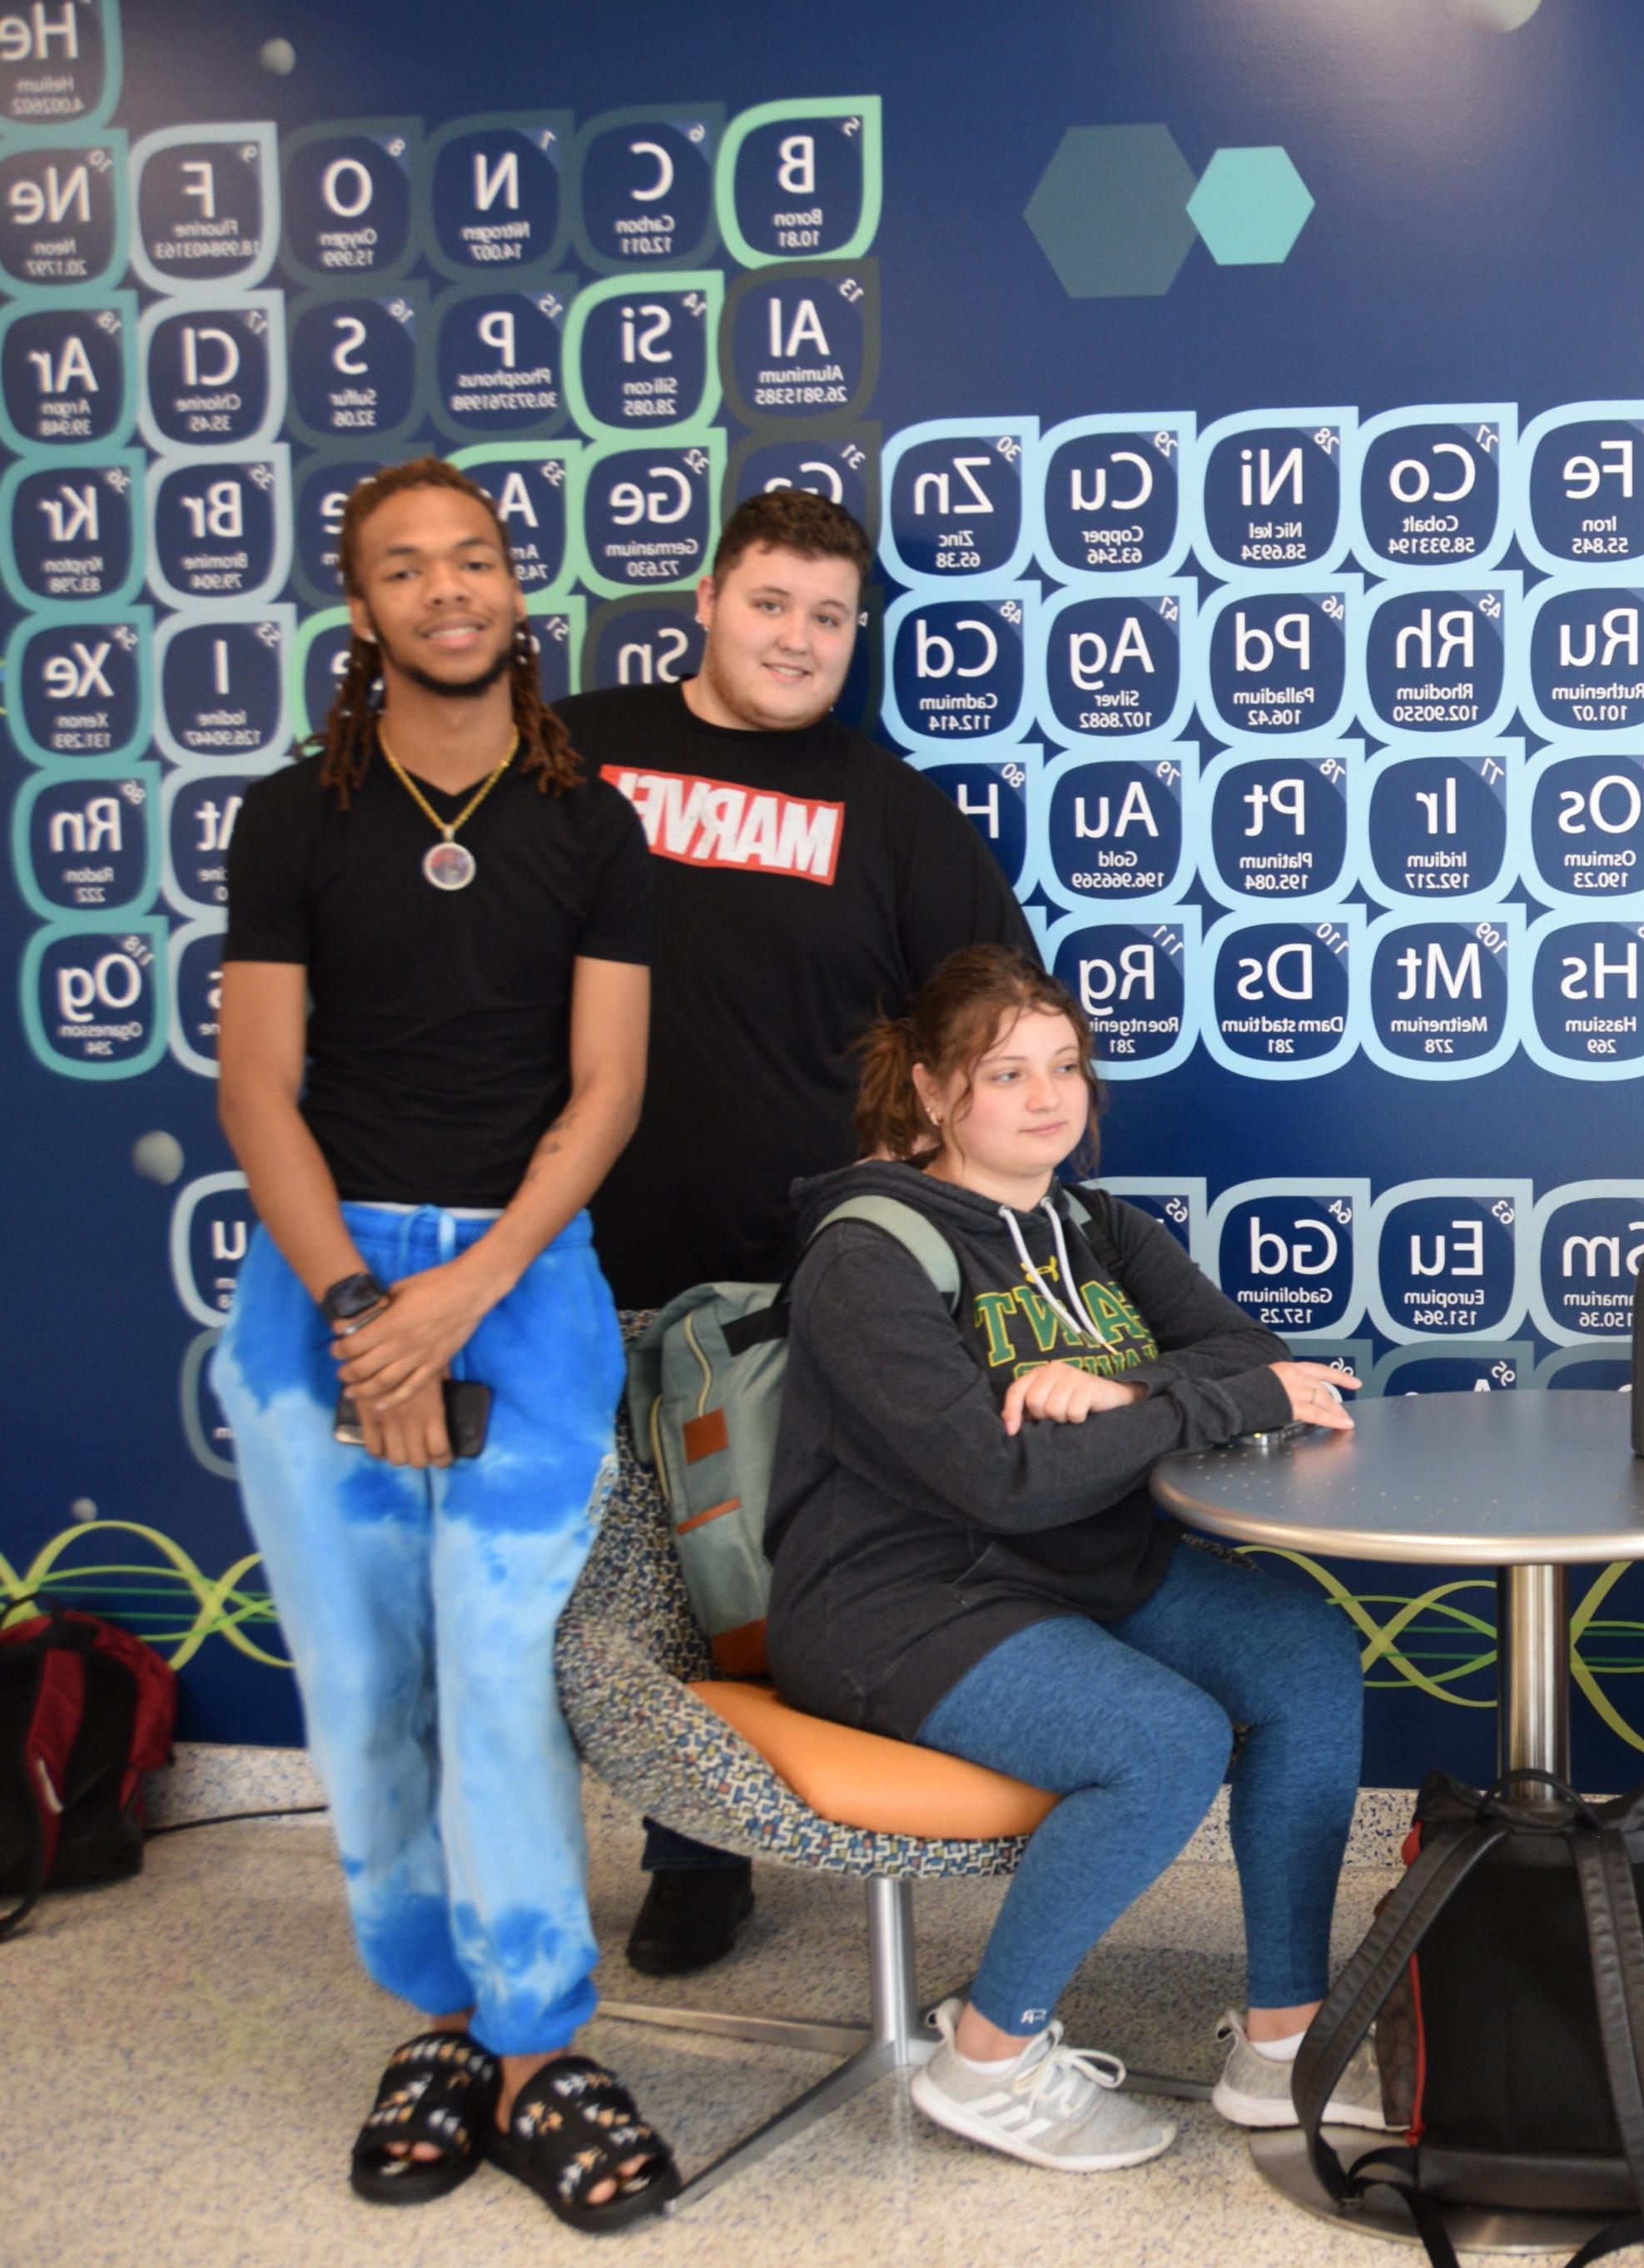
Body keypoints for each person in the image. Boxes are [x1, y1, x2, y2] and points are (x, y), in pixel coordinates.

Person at [212, 459, 680, 2230]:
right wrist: (357, 1316)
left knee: (495, 1670)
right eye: (403, 570)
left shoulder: (592, 826)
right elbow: (259, 1088)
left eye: (470, 559)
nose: (446, 591)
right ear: (364, 612)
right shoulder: (294, 814)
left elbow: (609, 1090)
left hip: (522, 1277)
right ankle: (438, 2023)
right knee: (369, 1684)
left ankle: (541, 2048)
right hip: (318, 1287)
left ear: (514, 587)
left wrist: (461, 1298)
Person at [764, 945, 1378, 2173]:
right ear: (936, 1093)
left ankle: (1282, 2038)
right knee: (1162, 1738)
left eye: (1066, 1068)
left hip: (1080, 1571)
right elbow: (999, 1481)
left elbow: (1254, 1356)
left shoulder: (1096, 1225)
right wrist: (1195, 1398)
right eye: (1006, 1073)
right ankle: (987, 2057)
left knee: (1304, 1654)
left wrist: (1114, 1384)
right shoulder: (866, 1254)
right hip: (902, 1601)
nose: (1048, 1099)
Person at [552, 486, 1036, 1978]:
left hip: (785, 1291)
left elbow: (994, 1016)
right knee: (579, 1591)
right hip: (561, 1262)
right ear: (706, 601)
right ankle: (509, 1885)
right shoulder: (576, 752)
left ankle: (702, 1859)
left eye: (831, 617)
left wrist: (928, 1173)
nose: (799, 636)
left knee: (736, 1583)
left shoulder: (886, 808)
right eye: (771, 602)